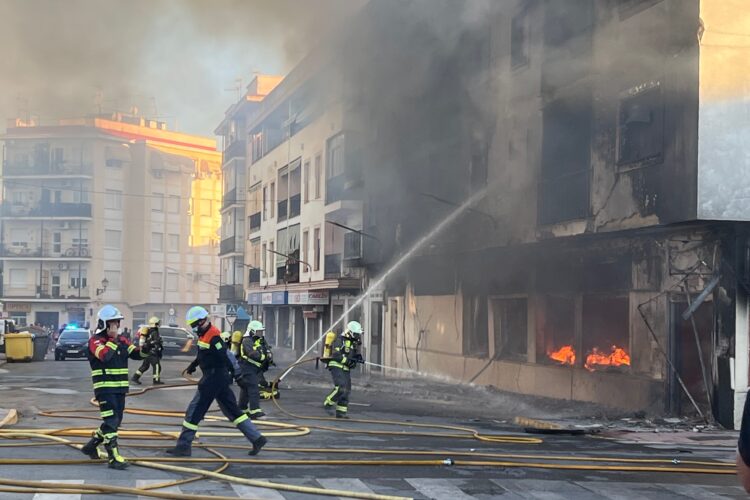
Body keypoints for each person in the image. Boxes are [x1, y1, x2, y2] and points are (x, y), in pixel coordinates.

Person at [166, 306, 266, 457]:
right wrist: (193, 365)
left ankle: (184, 446)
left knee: (193, 412)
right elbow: (203, 355)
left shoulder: (213, 336)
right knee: (233, 411)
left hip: (213, 379)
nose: (193, 328)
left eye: (194, 325)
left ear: (202, 321)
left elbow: (226, 357)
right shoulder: (204, 335)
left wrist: (238, 376)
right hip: (217, 379)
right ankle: (257, 438)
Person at [80, 305, 150, 469]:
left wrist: (147, 349)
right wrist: (112, 339)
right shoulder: (95, 341)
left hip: (120, 389)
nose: (116, 326)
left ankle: (91, 446)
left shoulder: (123, 340)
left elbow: (136, 354)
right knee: (111, 421)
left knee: (115, 422)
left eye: (117, 322)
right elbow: (104, 356)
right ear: (105, 324)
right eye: (113, 323)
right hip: (105, 389)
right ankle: (113, 457)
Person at [323, 321, 364, 419]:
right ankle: (328, 403)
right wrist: (348, 361)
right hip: (336, 366)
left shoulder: (352, 344)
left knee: (346, 390)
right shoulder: (340, 340)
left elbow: (351, 358)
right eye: (356, 334)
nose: (358, 336)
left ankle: (341, 412)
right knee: (341, 387)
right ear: (350, 332)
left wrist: (356, 360)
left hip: (345, 368)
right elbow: (336, 355)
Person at [237, 320, 267, 419]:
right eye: (258, 331)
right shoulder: (247, 340)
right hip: (247, 367)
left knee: (246, 388)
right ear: (252, 331)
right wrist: (263, 357)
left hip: (251, 368)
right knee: (254, 388)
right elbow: (251, 353)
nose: (261, 333)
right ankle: (255, 411)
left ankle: (242, 409)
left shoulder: (255, 340)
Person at [132, 317, 164, 385]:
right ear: (154, 324)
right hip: (152, 352)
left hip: (147, 352)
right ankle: (156, 380)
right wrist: (158, 342)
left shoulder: (149, 331)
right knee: (157, 366)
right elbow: (154, 341)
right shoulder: (155, 332)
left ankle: (135, 377)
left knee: (145, 366)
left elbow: (148, 341)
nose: (159, 324)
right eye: (157, 323)